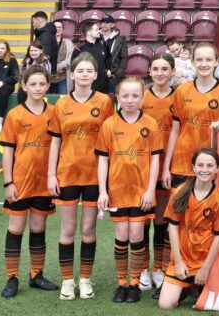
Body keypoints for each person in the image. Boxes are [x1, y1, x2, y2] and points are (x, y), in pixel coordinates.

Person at [47, 54, 115, 301]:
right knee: (67, 230)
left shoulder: (105, 102)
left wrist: (108, 180)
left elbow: (110, 141)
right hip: (66, 175)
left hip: (94, 176)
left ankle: (85, 279)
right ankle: (67, 281)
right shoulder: (61, 104)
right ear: (72, 74)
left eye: (89, 71)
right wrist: (51, 175)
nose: (85, 75)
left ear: (95, 75)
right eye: (80, 71)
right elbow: (55, 142)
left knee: (88, 229)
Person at [96, 76, 164, 304]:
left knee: (136, 235)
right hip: (116, 191)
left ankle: (134, 283)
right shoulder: (109, 125)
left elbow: (155, 160)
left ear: (143, 97)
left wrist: (150, 190)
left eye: (135, 95)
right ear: (118, 97)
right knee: (121, 236)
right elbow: (103, 160)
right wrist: (103, 191)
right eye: (125, 95)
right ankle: (121, 283)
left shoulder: (151, 124)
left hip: (140, 192)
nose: (130, 100)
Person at [0, 67, 58, 298]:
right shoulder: (15, 115)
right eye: (32, 84)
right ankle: (12, 278)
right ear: (24, 86)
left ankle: (36, 275)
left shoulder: (54, 113)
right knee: (15, 228)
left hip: (44, 183)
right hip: (20, 182)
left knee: (38, 228)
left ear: (47, 86)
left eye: (41, 84)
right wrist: (8, 183)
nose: (37, 88)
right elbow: (8, 152)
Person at [157, 148, 219, 311]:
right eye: (201, 165)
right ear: (193, 167)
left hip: (206, 262)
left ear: (217, 169)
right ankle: (186, 286)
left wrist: (205, 269)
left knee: (210, 305)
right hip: (183, 258)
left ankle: (199, 284)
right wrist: (178, 262)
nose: (205, 170)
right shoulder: (179, 192)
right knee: (165, 305)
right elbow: (173, 229)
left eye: (210, 165)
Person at [162, 42, 219, 189]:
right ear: (193, 62)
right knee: (179, 210)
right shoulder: (182, 91)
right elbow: (175, 131)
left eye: (208, 60)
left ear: (216, 61)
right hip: (182, 161)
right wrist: (166, 167)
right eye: (199, 60)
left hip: (208, 166)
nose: (204, 64)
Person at [139, 53, 178, 298]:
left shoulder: (179, 96)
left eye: (165, 68)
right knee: (142, 220)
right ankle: (143, 270)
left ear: (172, 71)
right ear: (150, 72)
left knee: (162, 220)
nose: (160, 72)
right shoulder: (141, 96)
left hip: (170, 166)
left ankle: (161, 269)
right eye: (156, 68)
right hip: (142, 168)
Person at [72, 22, 111, 94]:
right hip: (88, 85)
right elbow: (73, 66)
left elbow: (108, 57)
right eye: (96, 30)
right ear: (89, 32)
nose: (99, 31)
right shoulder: (79, 49)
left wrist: (109, 69)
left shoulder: (104, 44)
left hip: (104, 84)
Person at [17, 41, 52, 105]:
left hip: (40, 85)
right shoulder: (27, 61)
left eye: (35, 50)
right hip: (28, 85)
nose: (33, 52)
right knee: (21, 92)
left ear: (41, 51)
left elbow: (47, 77)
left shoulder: (45, 62)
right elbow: (21, 74)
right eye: (31, 51)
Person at [100, 14, 128, 91]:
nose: (104, 24)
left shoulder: (120, 39)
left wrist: (118, 74)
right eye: (103, 22)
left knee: (112, 99)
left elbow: (124, 57)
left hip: (113, 76)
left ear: (112, 25)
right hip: (98, 75)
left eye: (107, 22)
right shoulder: (96, 37)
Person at [52, 20, 76, 94]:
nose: (58, 29)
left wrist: (60, 66)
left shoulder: (68, 42)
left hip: (63, 78)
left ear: (62, 30)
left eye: (60, 27)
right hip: (48, 78)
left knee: (63, 99)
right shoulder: (46, 42)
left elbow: (71, 57)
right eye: (56, 27)